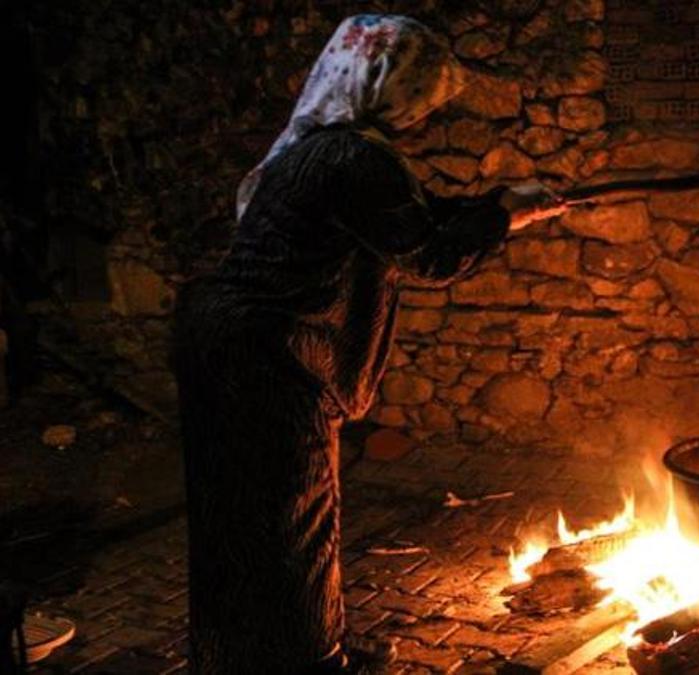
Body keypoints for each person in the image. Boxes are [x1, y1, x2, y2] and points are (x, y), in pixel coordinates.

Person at [172, 15, 564, 674]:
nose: (423, 115)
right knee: (296, 516)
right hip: (269, 355)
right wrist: (500, 216)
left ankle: (241, 656)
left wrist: (500, 204)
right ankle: (316, 659)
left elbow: (412, 217)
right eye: (421, 98)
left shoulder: (313, 148)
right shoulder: (358, 156)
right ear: (385, 85)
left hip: (221, 341)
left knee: (239, 521)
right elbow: (431, 253)